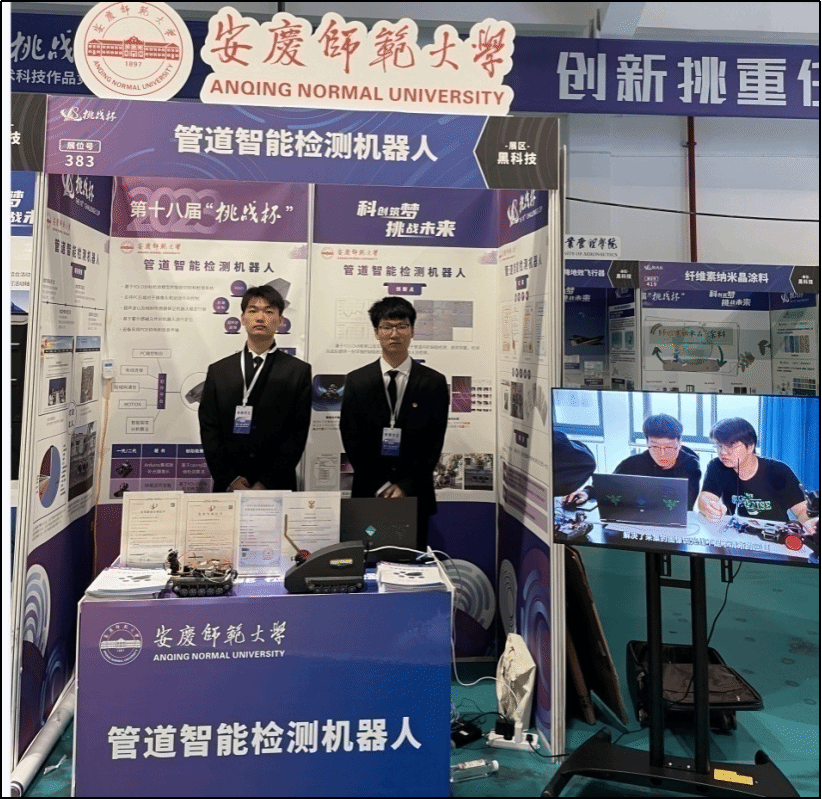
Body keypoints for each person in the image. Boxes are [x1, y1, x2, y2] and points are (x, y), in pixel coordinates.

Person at [339, 297, 449, 550]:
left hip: (414, 493)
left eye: (401, 326)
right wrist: (382, 485)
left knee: (411, 561)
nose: (394, 333)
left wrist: (405, 486)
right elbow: (351, 439)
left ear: (412, 330)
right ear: (376, 332)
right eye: (387, 327)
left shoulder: (433, 382)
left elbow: (433, 443)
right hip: (369, 491)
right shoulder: (358, 381)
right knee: (368, 560)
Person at [198, 285, 311, 492]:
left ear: (280, 320)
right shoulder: (219, 371)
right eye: (253, 311)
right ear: (243, 318)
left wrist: (267, 482)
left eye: (269, 311)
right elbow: (209, 429)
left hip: (276, 485)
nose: (260, 317)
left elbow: (297, 433)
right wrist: (230, 478)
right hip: (229, 485)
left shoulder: (297, 371)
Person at [565, 413, 702, 509]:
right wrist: (586, 492)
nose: (662, 454)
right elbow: (608, 486)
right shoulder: (633, 463)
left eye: (669, 447)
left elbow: (686, 507)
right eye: (654, 447)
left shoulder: (690, 466)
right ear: (646, 442)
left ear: (680, 442)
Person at [697, 417, 812, 530]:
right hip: (737, 533)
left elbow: (802, 510)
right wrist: (709, 507)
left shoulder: (778, 471)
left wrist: (810, 522)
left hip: (775, 535)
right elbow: (706, 497)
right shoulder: (717, 466)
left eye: (730, 446)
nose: (723, 452)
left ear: (750, 446)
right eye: (719, 446)